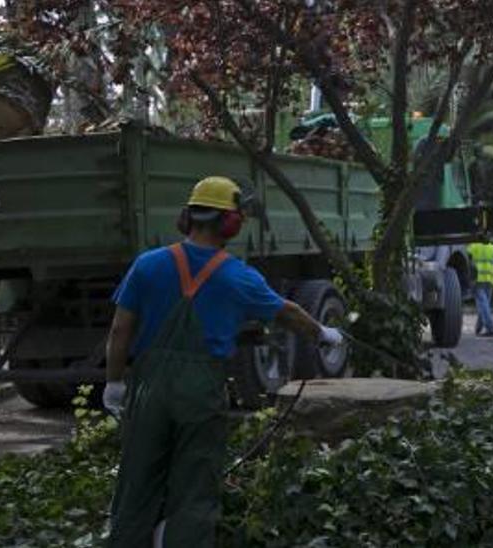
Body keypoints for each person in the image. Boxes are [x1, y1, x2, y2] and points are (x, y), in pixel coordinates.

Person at [102, 176, 343, 547]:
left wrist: (115, 382)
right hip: (200, 390)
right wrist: (323, 335)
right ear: (229, 222)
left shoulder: (147, 265)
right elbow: (288, 313)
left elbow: (120, 331)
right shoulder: (238, 276)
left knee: (137, 480)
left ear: (188, 217)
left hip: (148, 387)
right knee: (196, 485)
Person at [467, 233, 493, 337]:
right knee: (484, 305)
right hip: (490, 281)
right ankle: (478, 328)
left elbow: (467, 261)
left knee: (483, 305)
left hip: (477, 281)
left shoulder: (473, 247)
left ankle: (490, 329)